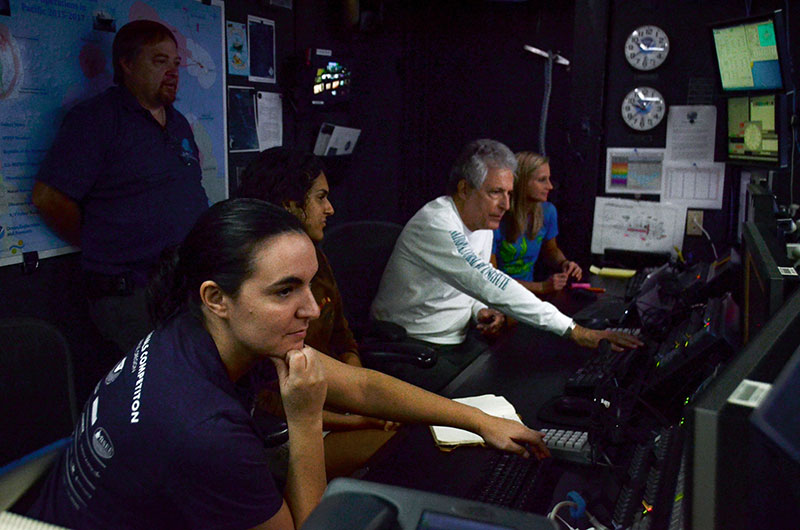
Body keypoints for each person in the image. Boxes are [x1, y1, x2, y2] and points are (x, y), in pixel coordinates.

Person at [28, 199, 549, 530]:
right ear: (217, 297)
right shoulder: (201, 429)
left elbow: (361, 386)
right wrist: (304, 421)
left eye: (310, 282)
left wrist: (478, 420)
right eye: (286, 290)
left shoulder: (201, 329)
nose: (313, 307)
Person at [371, 139, 641, 388]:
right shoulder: (437, 223)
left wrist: (480, 312)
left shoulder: (482, 223)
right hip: (412, 348)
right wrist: (576, 332)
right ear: (465, 189)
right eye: (496, 192)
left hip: (455, 342)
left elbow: (468, 284)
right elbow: (486, 281)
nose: (506, 205)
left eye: (509, 193)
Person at [31, 20, 208, 354]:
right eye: (159, 61)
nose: (172, 72)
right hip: (131, 296)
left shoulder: (178, 122)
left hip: (182, 287)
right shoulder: (97, 119)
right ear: (127, 64)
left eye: (175, 64)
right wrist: (100, 243)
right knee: (149, 393)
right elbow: (47, 198)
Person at [235, 147, 397, 477]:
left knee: (407, 437)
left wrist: (356, 401)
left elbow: (343, 336)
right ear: (289, 204)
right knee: (395, 453)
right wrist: (356, 418)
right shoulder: (252, 280)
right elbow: (267, 400)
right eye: (320, 198)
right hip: (287, 425)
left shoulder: (315, 259)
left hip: (327, 405)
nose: (330, 209)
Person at [492, 152, 582, 295]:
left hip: (529, 297)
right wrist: (540, 287)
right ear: (521, 181)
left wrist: (564, 263)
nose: (550, 186)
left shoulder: (547, 211)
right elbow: (492, 278)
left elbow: (551, 250)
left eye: (549, 179)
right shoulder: (496, 216)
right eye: (542, 180)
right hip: (498, 297)